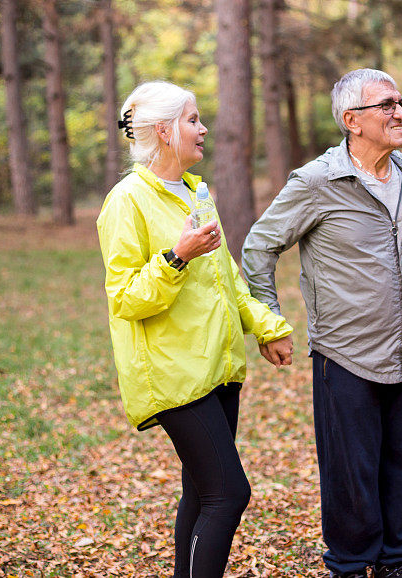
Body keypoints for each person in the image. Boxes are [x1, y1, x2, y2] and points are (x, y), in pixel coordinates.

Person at [241, 69, 402, 578]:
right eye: (386, 106)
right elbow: (259, 247)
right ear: (351, 121)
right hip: (345, 355)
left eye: (400, 102)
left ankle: (396, 562)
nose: (401, 113)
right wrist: (268, 321)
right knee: (351, 473)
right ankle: (349, 564)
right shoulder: (316, 183)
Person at [96, 81, 294, 578]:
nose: (203, 128)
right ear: (163, 131)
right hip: (172, 373)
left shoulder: (195, 192)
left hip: (217, 367)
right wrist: (176, 257)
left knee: (202, 494)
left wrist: (266, 327)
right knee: (229, 494)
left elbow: (225, 277)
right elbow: (124, 298)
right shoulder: (127, 201)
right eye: (192, 119)